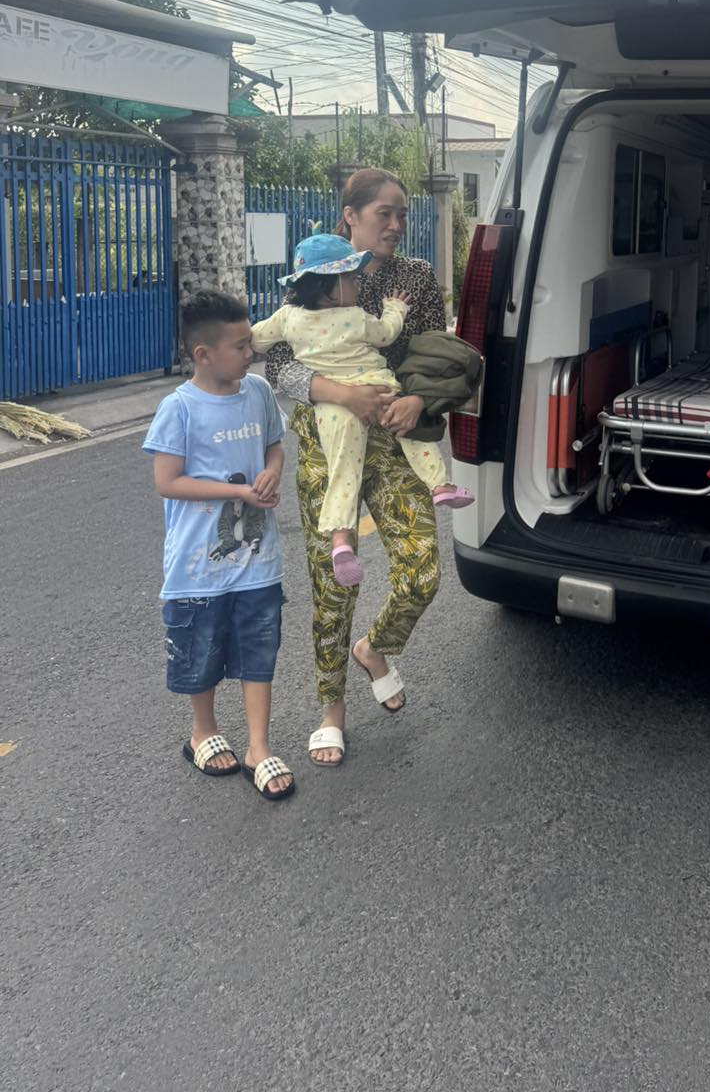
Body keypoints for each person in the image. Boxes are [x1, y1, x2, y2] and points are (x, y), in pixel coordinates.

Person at [261, 169, 448, 769]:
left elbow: (435, 357)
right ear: (350, 216)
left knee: (422, 570)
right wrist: (340, 393)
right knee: (333, 583)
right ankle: (331, 711)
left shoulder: (415, 277)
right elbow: (278, 364)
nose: (395, 225)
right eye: (383, 214)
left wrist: (419, 399)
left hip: (394, 443)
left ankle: (376, 647)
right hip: (327, 442)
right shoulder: (316, 269)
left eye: (402, 214)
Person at [251, 233, 473, 589]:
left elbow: (257, 339)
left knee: (342, 469)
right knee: (412, 433)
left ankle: (340, 541)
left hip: (332, 410)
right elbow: (387, 333)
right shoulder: (355, 317)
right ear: (330, 289)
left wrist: (236, 344)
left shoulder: (288, 317)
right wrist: (396, 307)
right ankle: (440, 484)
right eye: (351, 279)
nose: (357, 284)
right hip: (379, 389)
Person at [144, 290, 295, 802]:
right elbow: (167, 481)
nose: (251, 353)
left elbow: (274, 445)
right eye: (240, 346)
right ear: (203, 354)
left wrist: (271, 472)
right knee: (200, 649)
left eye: (250, 342)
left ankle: (258, 746)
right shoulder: (179, 408)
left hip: (259, 559)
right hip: (197, 566)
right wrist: (237, 492)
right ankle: (202, 732)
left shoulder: (258, 392)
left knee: (259, 647)